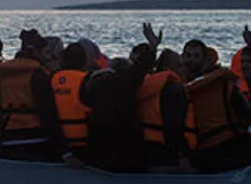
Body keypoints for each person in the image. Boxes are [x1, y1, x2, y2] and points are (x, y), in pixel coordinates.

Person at [81, 39, 154, 173]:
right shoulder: (126, 85)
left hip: (98, 148)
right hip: (126, 148)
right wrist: (152, 47)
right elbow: (140, 69)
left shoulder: (93, 86)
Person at [0, 29, 69, 162]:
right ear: (39, 51)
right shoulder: (38, 75)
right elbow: (48, 114)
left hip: (7, 137)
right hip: (36, 138)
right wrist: (65, 152)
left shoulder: (1, 72)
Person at [139, 27, 194, 172]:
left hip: (145, 148)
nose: (184, 68)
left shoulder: (146, 84)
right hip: (166, 154)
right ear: (169, 68)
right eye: (180, 65)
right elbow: (174, 126)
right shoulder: (174, 90)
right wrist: (183, 156)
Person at [51, 42, 91, 157]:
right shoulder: (86, 79)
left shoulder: (52, 78)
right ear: (84, 60)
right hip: (83, 139)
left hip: (58, 139)